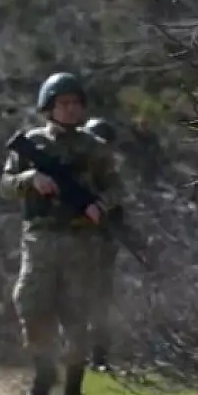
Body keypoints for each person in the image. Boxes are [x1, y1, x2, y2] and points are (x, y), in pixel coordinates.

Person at [0, 72, 120, 395]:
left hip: (82, 240)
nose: (69, 110)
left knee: (77, 317)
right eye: (62, 104)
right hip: (40, 237)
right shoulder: (32, 144)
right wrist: (30, 179)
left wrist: (101, 206)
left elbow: (115, 188)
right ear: (48, 107)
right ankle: (43, 367)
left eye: (75, 104)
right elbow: (5, 184)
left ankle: (72, 390)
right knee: (30, 304)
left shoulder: (94, 149)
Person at [82, 117, 119, 371]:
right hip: (75, 245)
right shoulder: (77, 173)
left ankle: (98, 358)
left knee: (101, 306)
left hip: (102, 248)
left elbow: (118, 210)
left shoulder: (109, 178)